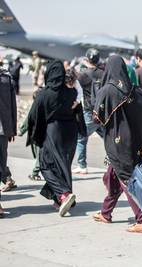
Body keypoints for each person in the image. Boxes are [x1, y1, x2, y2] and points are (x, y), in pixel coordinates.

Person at [92, 55, 142, 233]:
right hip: (134, 142)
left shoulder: (107, 90)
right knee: (113, 177)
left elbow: (97, 117)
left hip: (117, 143)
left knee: (125, 179)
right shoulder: (135, 90)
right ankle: (105, 213)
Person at [27, 60, 86, 217]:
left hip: (54, 132)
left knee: (46, 166)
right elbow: (78, 108)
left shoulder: (44, 94)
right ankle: (59, 200)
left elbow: (34, 116)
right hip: (71, 133)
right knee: (63, 165)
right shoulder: (71, 92)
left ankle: (64, 195)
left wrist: (34, 134)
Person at [72, 48, 104, 174]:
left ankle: (82, 165)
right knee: (106, 136)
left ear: (87, 58)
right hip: (102, 110)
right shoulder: (103, 73)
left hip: (89, 111)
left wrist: (83, 64)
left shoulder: (83, 74)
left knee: (81, 137)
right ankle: (114, 161)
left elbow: (71, 77)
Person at [0, 68, 17, 217]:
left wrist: (12, 128)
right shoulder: (7, 79)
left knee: (1, 164)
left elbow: (12, 106)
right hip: (3, 130)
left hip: (3, 130)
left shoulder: (7, 80)